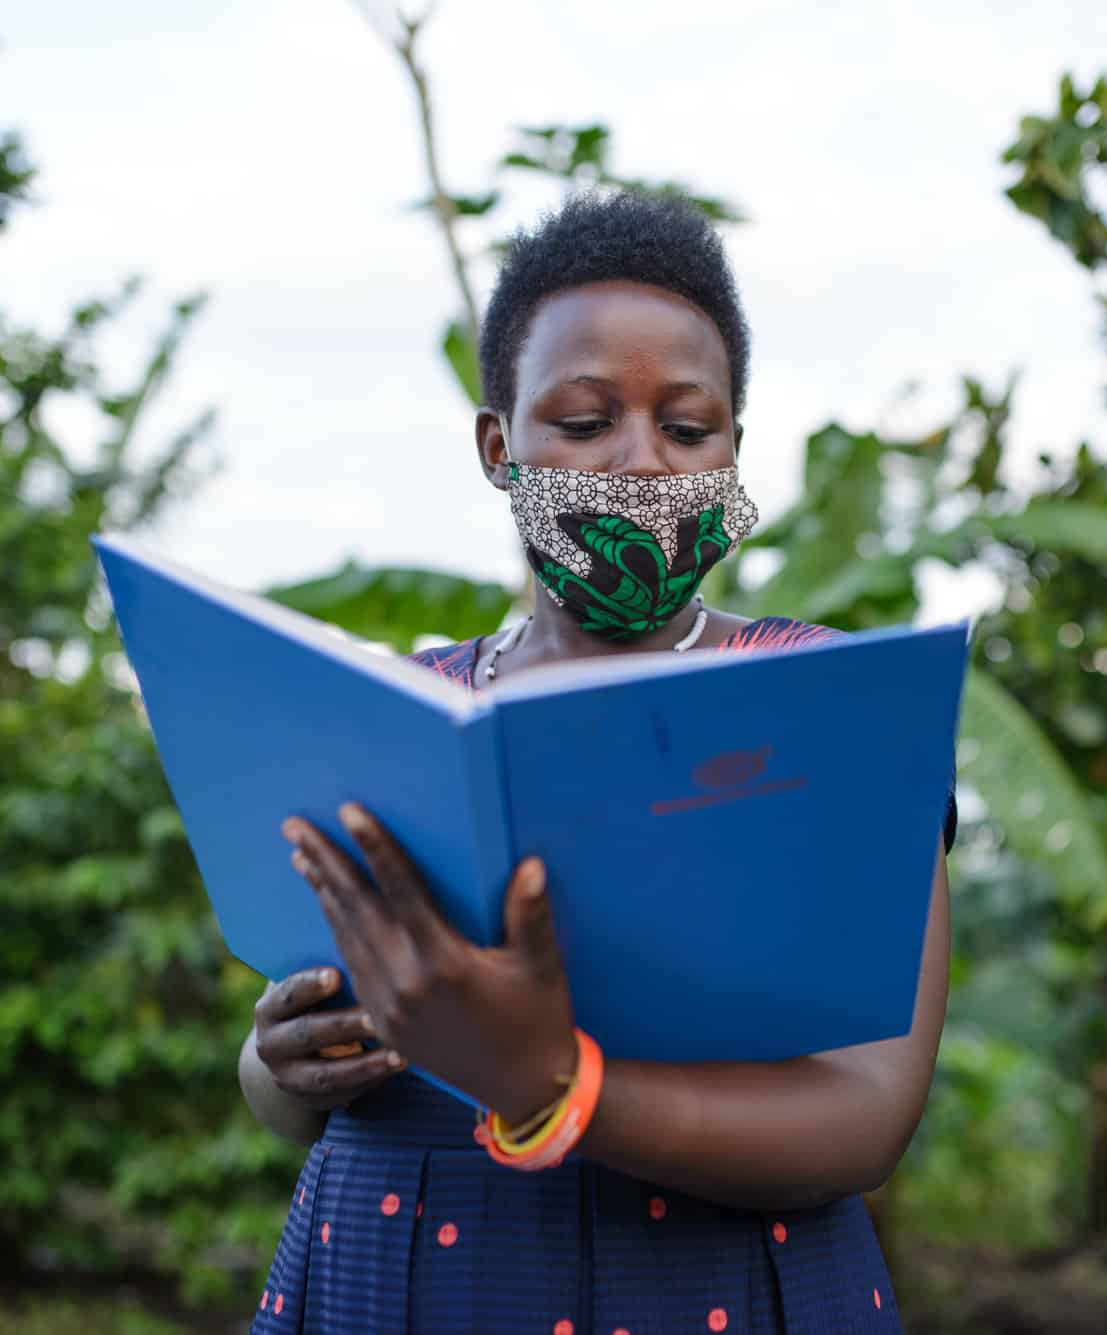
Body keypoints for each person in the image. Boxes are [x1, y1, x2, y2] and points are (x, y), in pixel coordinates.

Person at [238, 191, 955, 1333]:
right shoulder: (392, 716)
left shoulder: (829, 709)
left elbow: (867, 1114)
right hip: (388, 1277)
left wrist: (554, 1086)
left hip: (712, 1289)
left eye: (685, 427)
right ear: (498, 445)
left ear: (730, 449)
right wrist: (280, 1061)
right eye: (581, 422)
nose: (638, 464)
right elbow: (291, 1085)